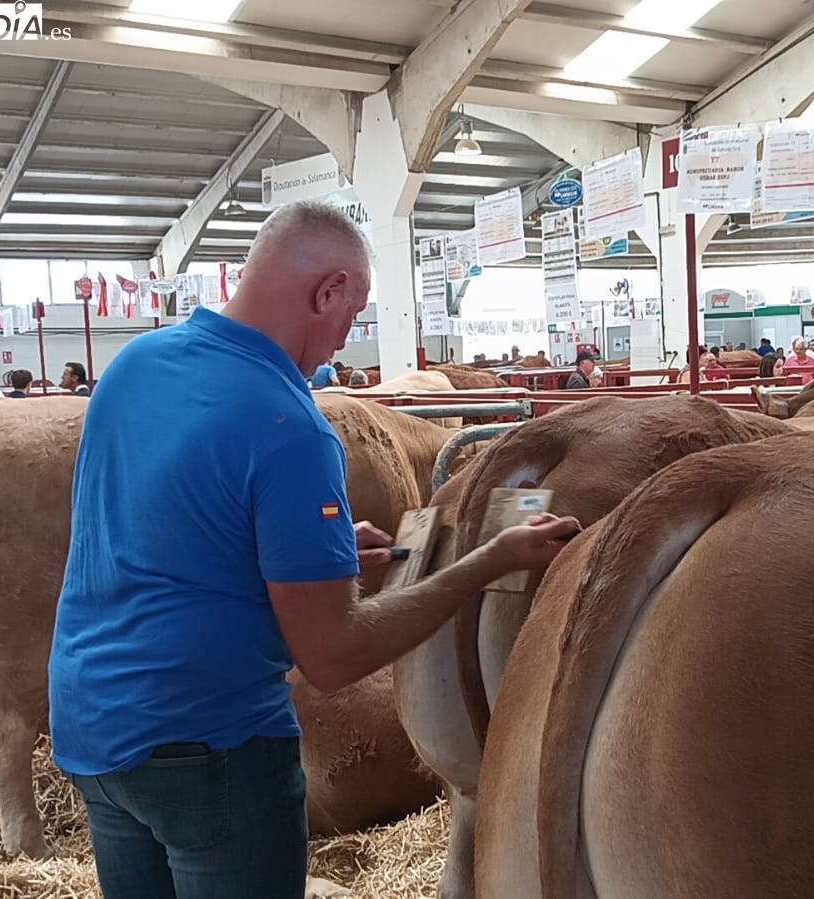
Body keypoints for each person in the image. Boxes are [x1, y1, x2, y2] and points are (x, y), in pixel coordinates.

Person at [48, 200, 581, 899]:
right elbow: (333, 657)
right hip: (208, 746)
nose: (341, 341)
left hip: (92, 724)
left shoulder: (137, 363)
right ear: (326, 290)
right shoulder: (288, 423)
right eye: (351, 315)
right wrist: (487, 561)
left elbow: (158, 527)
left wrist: (308, 555)